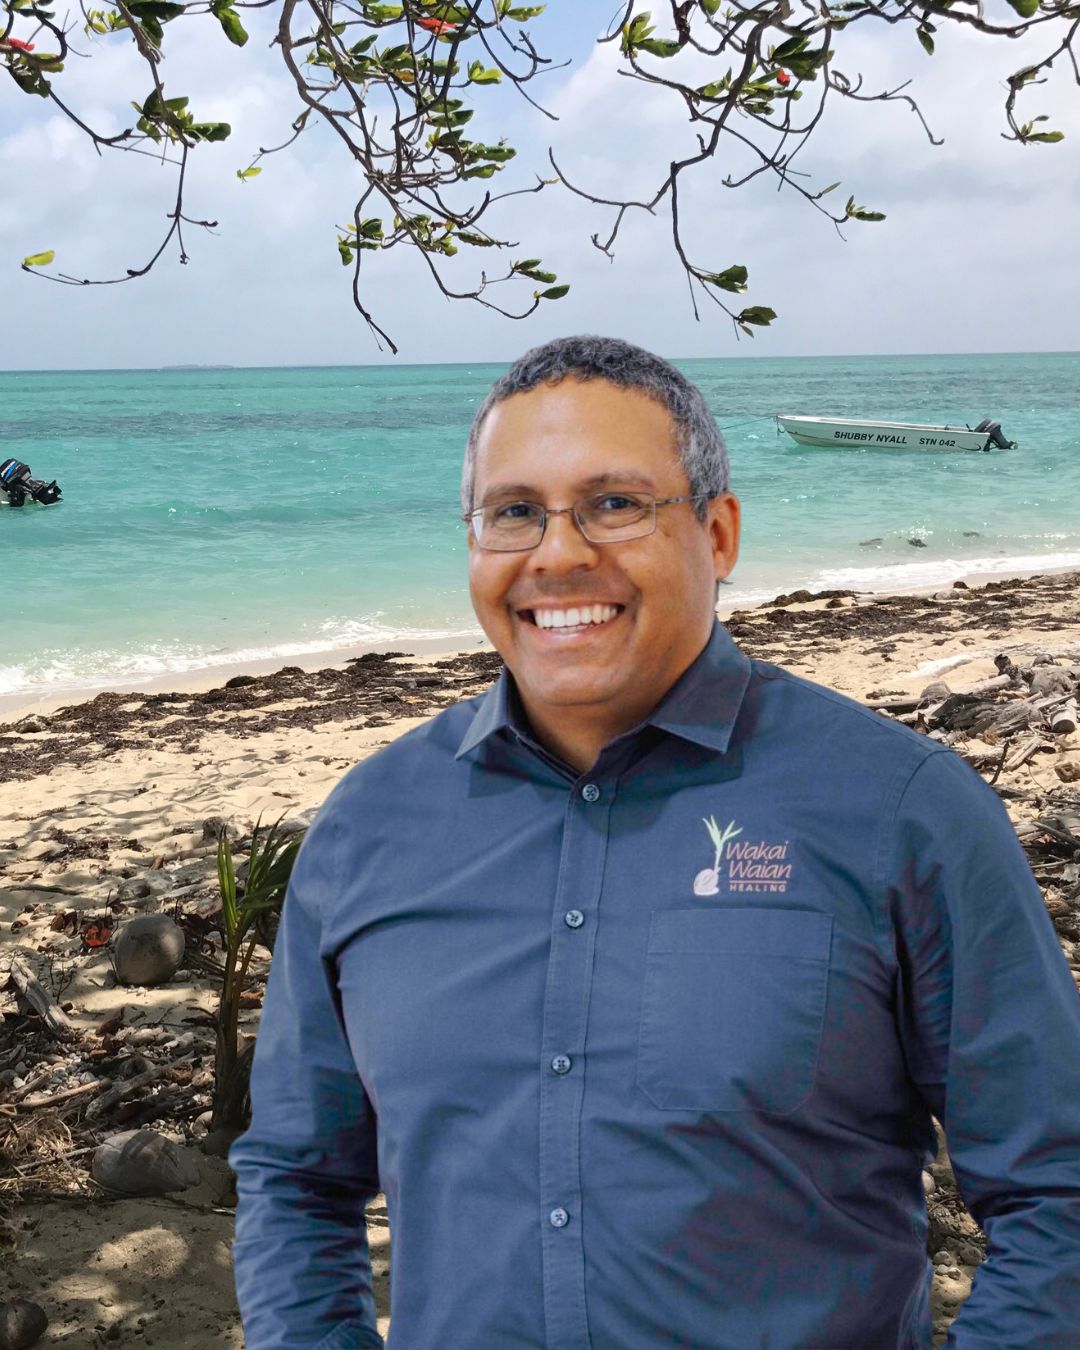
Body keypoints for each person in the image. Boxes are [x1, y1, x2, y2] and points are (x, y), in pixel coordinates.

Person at [230, 335, 1080, 1349]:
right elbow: (295, 1179)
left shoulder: (902, 810)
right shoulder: (370, 824)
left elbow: (1056, 1188)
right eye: (514, 512)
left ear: (717, 535)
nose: (558, 554)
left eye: (614, 503)